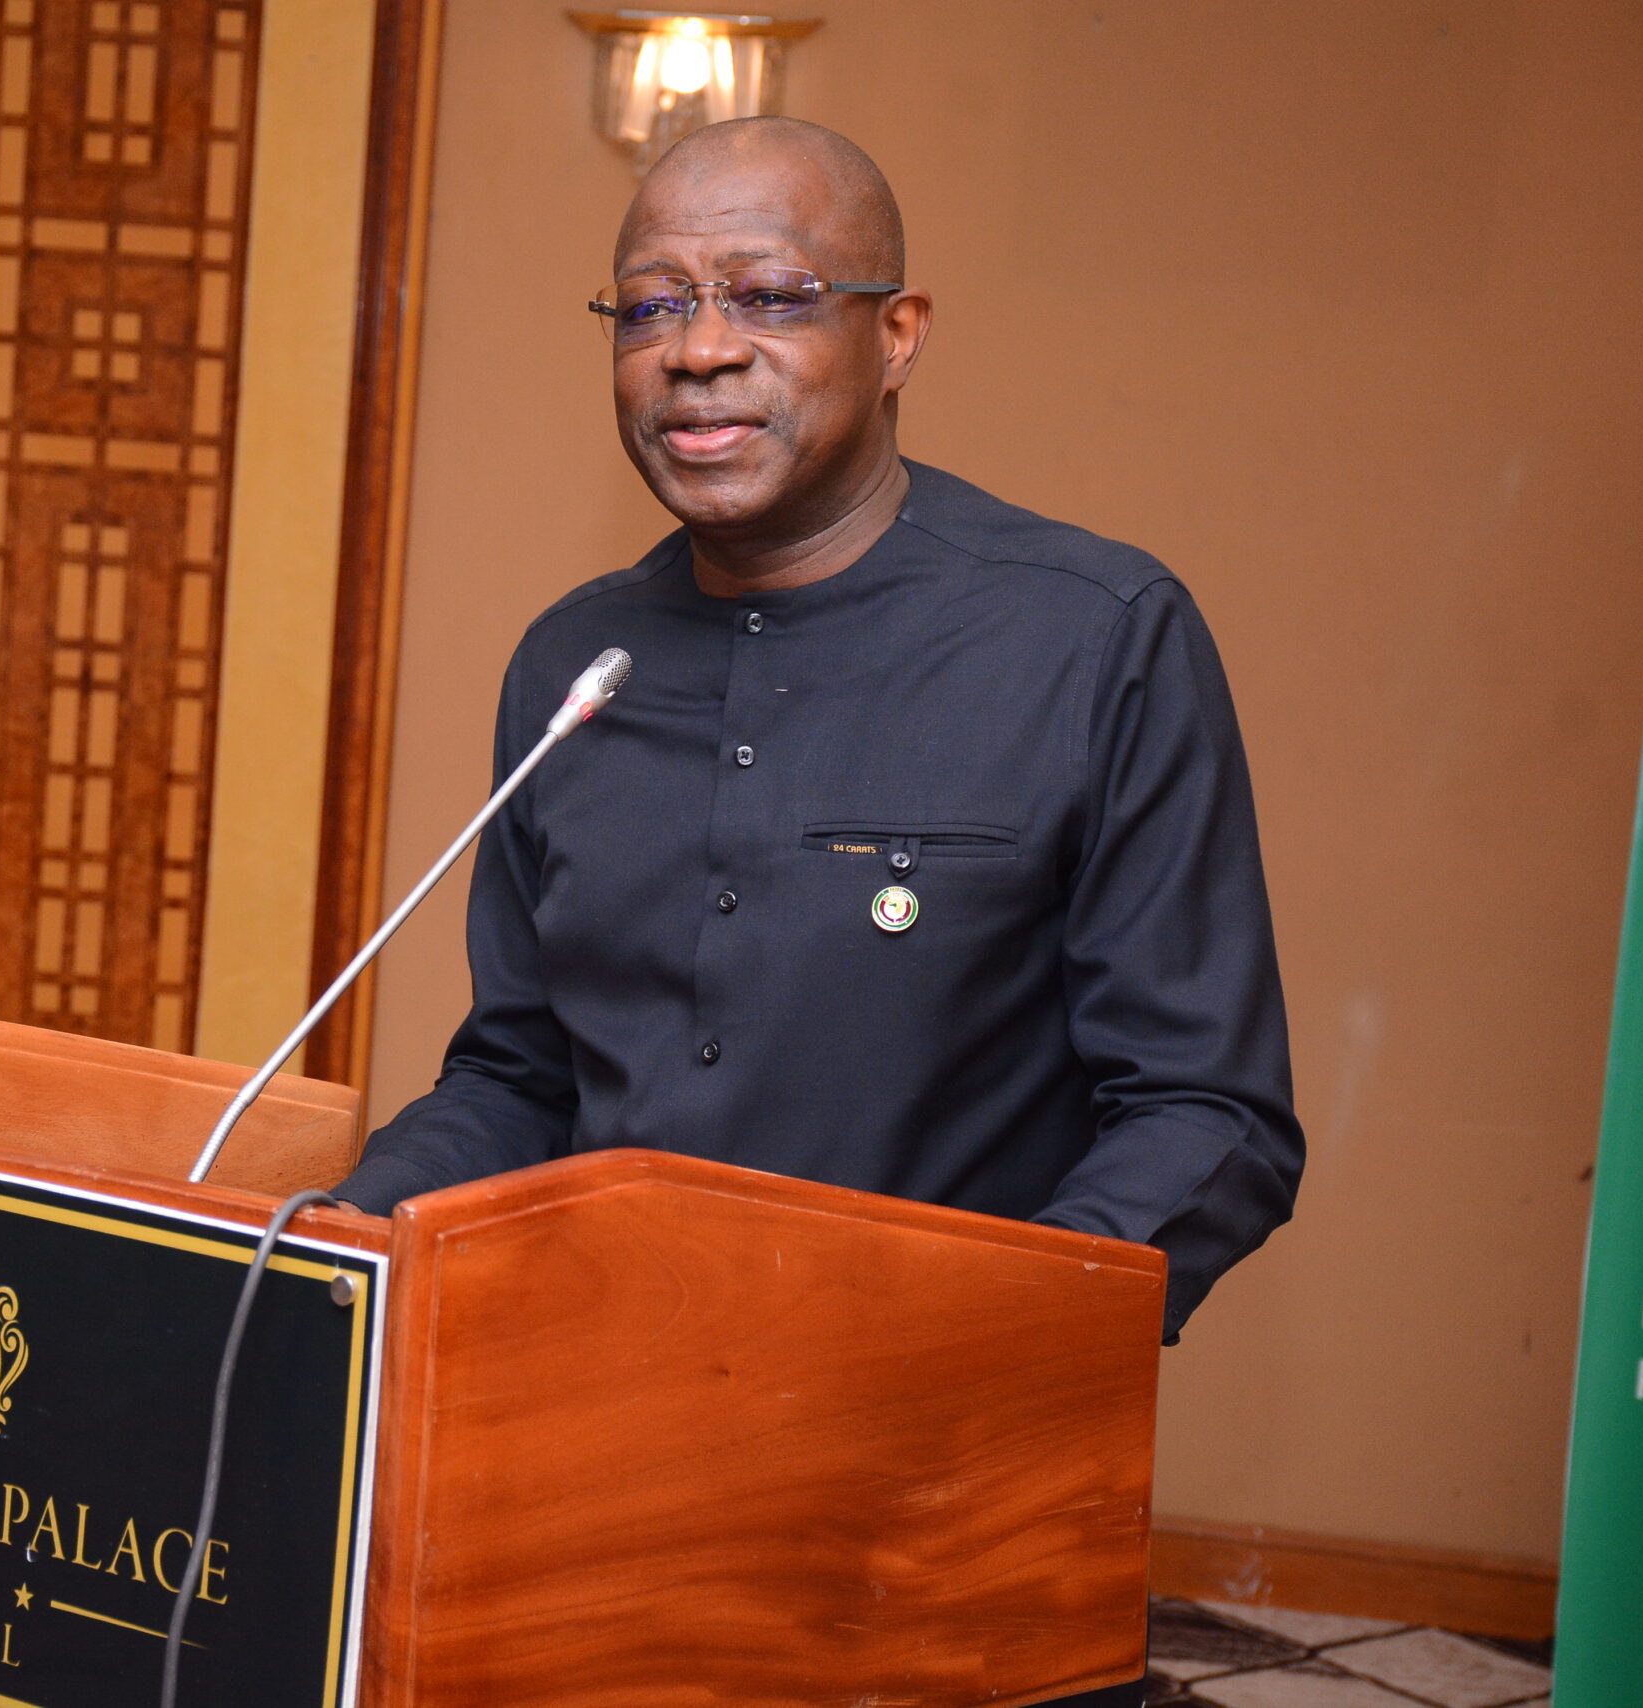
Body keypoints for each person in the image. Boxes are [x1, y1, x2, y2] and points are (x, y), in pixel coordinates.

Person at [332, 119, 1303, 1708]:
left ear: (896, 333)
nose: (698, 351)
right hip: (593, 1480)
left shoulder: (1096, 638)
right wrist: (348, 1235)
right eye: (651, 306)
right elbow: (522, 1071)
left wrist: (975, 1346)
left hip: (946, 1510)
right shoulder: (575, 669)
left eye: (770, 296)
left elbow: (1210, 1112)